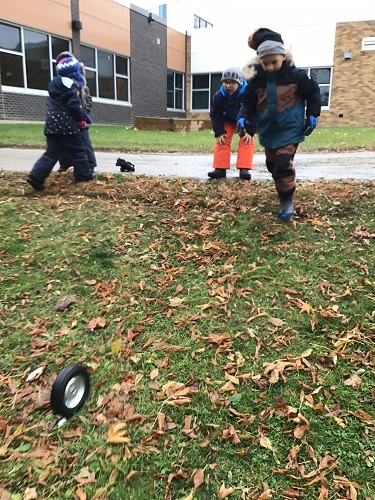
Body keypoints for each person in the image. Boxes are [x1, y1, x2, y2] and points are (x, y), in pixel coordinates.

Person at [238, 28, 321, 218]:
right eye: (265, 63)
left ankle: (286, 200)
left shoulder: (296, 76)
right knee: (272, 165)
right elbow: (248, 102)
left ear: (283, 56)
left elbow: (313, 93)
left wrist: (313, 113)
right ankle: (282, 182)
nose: (270, 67)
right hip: (268, 130)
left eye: (274, 62)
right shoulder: (257, 80)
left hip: (290, 129)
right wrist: (242, 117)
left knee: (283, 164)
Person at [26, 54, 95, 191]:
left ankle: (36, 176)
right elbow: (74, 106)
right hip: (67, 126)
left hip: (51, 125)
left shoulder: (54, 85)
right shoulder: (71, 87)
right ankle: (83, 174)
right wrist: (81, 120)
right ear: (74, 73)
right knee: (78, 150)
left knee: (51, 153)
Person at [208, 67, 255, 180]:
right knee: (222, 139)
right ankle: (220, 168)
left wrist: (251, 130)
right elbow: (215, 115)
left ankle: (244, 168)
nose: (228, 86)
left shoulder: (249, 94)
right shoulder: (219, 96)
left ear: (239, 83)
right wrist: (219, 131)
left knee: (247, 139)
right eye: (226, 82)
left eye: (232, 83)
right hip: (227, 120)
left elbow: (255, 112)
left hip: (245, 120)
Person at [58, 59, 97, 174]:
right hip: (68, 119)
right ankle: (66, 165)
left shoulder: (82, 87)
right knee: (65, 142)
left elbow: (87, 103)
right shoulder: (64, 86)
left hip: (80, 118)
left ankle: (89, 166)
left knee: (84, 141)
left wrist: (82, 114)